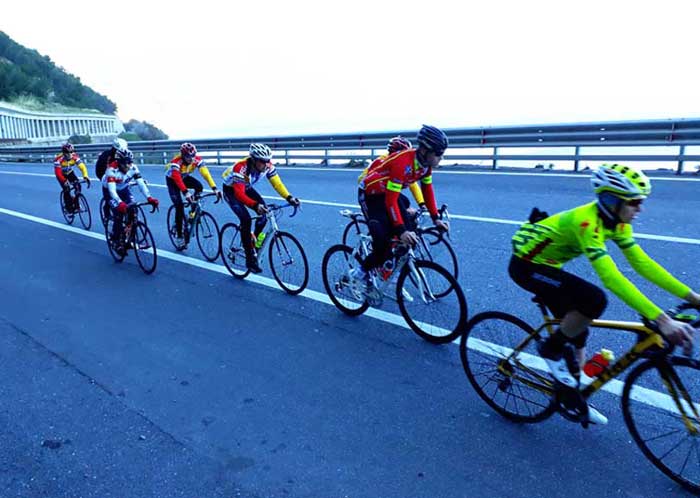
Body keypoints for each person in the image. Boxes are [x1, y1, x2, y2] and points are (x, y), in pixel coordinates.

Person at [509, 163, 700, 425]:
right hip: (527, 267)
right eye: (634, 202)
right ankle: (550, 349)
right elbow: (611, 278)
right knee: (594, 299)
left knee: (579, 325)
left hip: (549, 264)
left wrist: (694, 298)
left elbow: (642, 264)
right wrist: (662, 320)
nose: (639, 209)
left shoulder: (618, 221)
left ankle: (574, 395)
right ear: (611, 200)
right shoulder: (587, 222)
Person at [354, 125, 450, 290]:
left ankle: (392, 264)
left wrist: (436, 219)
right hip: (371, 195)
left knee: (411, 228)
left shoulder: (425, 166)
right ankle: (361, 272)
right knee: (383, 244)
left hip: (388, 193)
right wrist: (401, 230)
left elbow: (427, 191)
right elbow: (390, 202)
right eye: (439, 154)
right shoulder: (402, 163)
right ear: (426, 151)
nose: (441, 158)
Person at [221, 143, 300, 273]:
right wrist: (255, 205)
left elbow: (277, 184)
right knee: (246, 219)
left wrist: (289, 198)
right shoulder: (241, 167)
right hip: (232, 190)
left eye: (268, 161)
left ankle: (253, 244)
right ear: (253, 160)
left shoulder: (267, 166)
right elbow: (239, 194)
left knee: (264, 216)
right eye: (262, 161)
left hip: (246, 187)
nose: (266, 164)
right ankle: (249, 259)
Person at [102, 148, 159, 253]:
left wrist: (149, 198)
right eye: (125, 163)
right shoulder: (111, 170)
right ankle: (116, 240)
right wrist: (120, 203)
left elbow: (141, 184)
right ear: (118, 162)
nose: (128, 166)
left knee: (133, 210)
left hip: (124, 189)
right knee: (118, 213)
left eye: (130, 163)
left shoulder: (133, 168)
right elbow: (112, 191)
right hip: (110, 191)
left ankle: (129, 238)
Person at [165, 142, 221, 246]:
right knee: (179, 206)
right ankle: (179, 235)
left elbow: (205, 173)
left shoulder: (196, 159)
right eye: (188, 157)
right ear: (183, 155)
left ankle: (192, 212)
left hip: (184, 177)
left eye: (192, 156)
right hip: (173, 180)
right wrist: (186, 193)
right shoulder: (176, 162)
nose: (191, 159)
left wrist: (214, 188)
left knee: (199, 186)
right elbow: (177, 179)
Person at [358, 136, 426, 213]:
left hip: (386, 190)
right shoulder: (382, 161)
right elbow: (362, 179)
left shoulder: (402, 162)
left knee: (405, 203)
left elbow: (412, 184)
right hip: (368, 192)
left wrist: (421, 203)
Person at [96, 138, 129, 221]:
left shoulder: (123, 154)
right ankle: (107, 208)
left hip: (116, 174)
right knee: (111, 193)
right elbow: (101, 169)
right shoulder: (106, 155)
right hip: (104, 174)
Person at [54, 142, 90, 213]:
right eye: (68, 153)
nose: (70, 154)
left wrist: (85, 176)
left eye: (72, 152)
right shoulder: (58, 159)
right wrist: (64, 181)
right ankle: (68, 208)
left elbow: (82, 167)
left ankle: (77, 205)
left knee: (78, 186)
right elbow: (58, 173)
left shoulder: (74, 157)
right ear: (64, 153)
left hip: (70, 172)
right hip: (61, 174)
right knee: (66, 189)